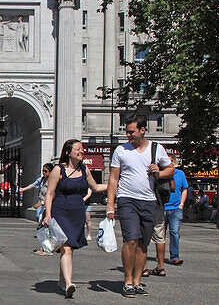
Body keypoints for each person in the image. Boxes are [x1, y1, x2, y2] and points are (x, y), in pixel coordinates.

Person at [106, 115, 174, 299]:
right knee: (131, 240)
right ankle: (127, 281)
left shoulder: (156, 148)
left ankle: (137, 281)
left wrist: (159, 173)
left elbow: (171, 169)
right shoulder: (121, 150)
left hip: (149, 200)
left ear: (143, 130)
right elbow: (113, 179)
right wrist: (110, 205)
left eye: (131, 132)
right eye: (126, 131)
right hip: (127, 199)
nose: (128, 135)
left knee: (144, 243)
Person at [43, 139, 108, 298]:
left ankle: (61, 281)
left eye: (82, 149)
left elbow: (96, 187)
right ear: (68, 152)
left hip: (77, 213)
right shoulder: (58, 170)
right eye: (77, 149)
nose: (81, 151)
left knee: (68, 248)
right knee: (67, 248)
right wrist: (48, 215)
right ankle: (69, 283)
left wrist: (114, 183)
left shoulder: (84, 170)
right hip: (60, 212)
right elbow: (49, 194)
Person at [21, 163, 55, 255]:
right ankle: (44, 247)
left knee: (45, 226)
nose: (43, 173)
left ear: (51, 172)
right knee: (42, 226)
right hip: (42, 205)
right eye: (43, 171)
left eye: (45, 171)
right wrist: (23, 189)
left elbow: (52, 195)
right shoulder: (42, 179)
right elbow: (33, 184)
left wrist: (42, 203)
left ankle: (48, 248)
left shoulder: (52, 181)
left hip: (47, 205)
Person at [160, 161, 188, 267]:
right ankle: (160, 256)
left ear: (174, 162)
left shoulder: (179, 173)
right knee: (160, 234)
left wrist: (181, 204)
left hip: (176, 208)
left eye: (170, 161)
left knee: (174, 232)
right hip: (163, 207)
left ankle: (175, 257)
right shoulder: (161, 173)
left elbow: (184, 189)